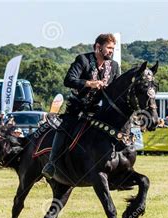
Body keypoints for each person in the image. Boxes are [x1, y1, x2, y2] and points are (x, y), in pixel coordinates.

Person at [42, 33, 120, 179]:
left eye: (113, 48)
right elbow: (68, 80)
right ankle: (51, 164)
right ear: (98, 47)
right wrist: (89, 83)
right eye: (109, 48)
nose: (111, 51)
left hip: (102, 110)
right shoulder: (83, 60)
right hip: (79, 107)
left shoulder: (114, 66)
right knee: (64, 127)